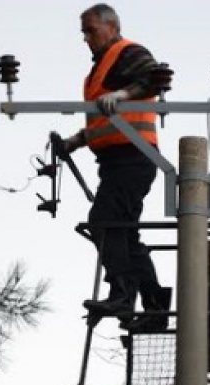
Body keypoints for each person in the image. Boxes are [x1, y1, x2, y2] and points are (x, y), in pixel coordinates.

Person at [50, 3, 170, 332]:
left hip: (133, 158)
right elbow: (108, 120)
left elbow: (151, 79)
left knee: (104, 221)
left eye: (91, 30)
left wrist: (123, 93)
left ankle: (121, 293)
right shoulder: (100, 69)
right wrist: (76, 141)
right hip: (117, 161)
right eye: (84, 32)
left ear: (112, 26)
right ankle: (155, 305)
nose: (86, 38)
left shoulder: (128, 52)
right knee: (126, 235)